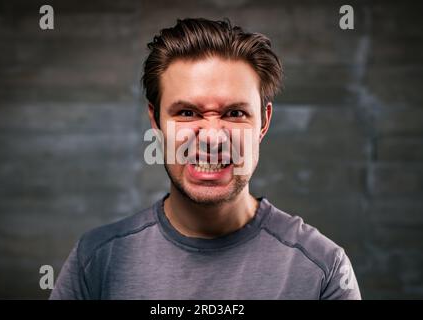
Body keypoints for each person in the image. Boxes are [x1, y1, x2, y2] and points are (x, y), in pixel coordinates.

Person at [50, 18, 361, 300]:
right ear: (156, 121)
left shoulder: (323, 269)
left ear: (263, 122)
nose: (212, 137)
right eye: (187, 113)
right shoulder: (95, 261)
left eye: (234, 113)